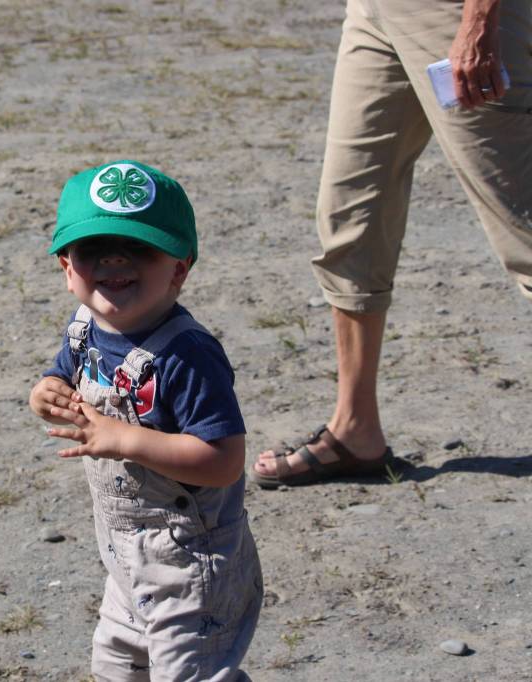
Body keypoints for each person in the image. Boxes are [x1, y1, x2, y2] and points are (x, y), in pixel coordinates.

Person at [250, 0, 532, 488]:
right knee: (351, 214)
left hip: (456, 14)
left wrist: (478, 19)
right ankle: (356, 431)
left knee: (522, 226)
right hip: (377, 10)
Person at [29, 160, 262, 681]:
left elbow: (224, 461)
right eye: (94, 249)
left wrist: (125, 439)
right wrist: (44, 393)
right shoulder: (85, 328)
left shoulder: (188, 355)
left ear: (179, 268)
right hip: (124, 556)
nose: (115, 258)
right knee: (115, 668)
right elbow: (61, 375)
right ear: (67, 268)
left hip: (190, 561)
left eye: (138, 246)